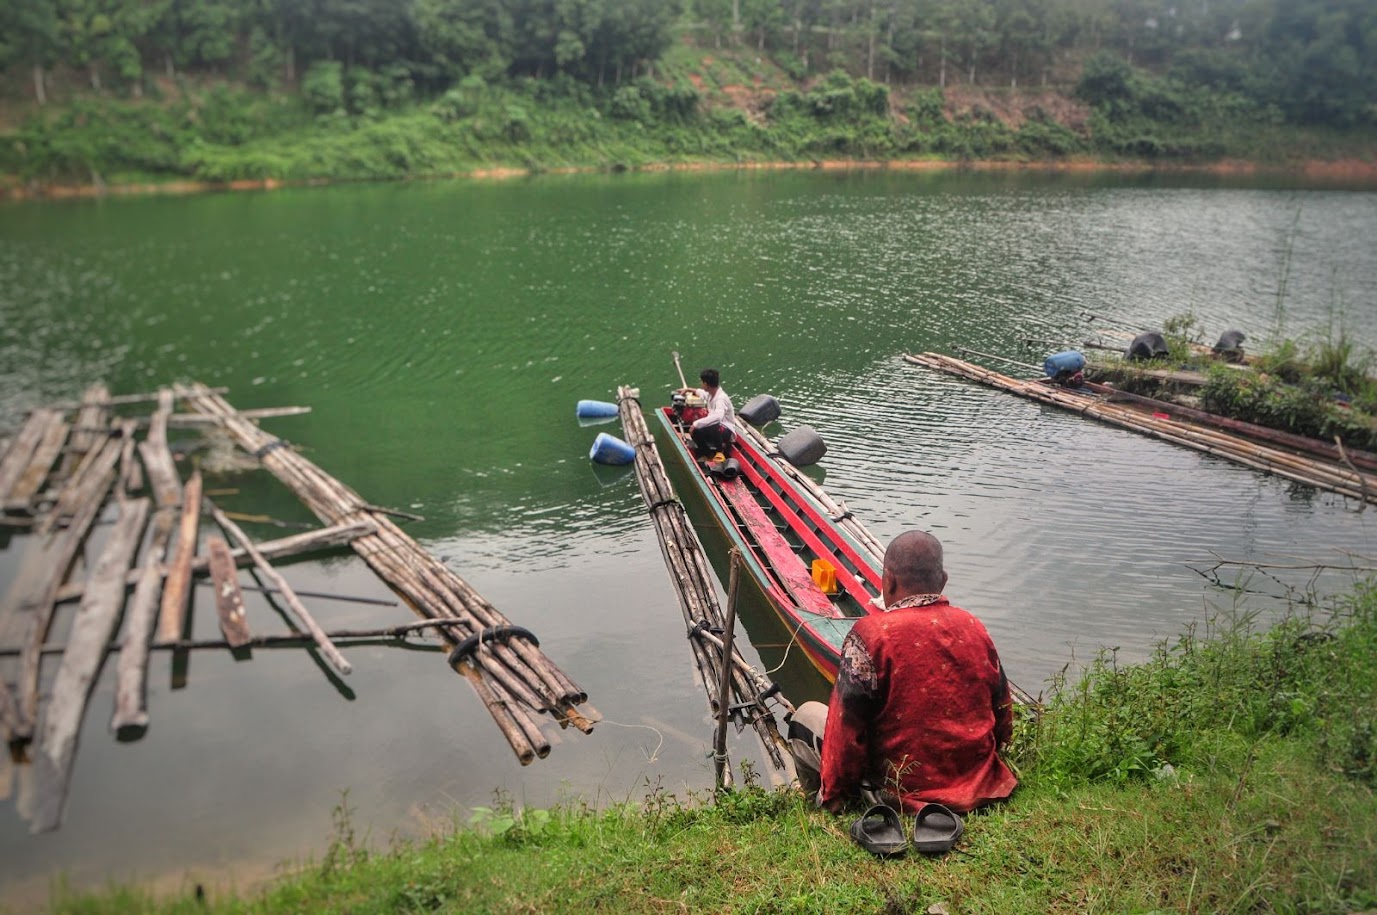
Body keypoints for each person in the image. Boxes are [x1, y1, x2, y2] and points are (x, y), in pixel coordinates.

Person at [788, 530, 1017, 815]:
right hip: (978, 782)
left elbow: (844, 734)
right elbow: (1003, 713)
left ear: (888, 581)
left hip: (901, 794)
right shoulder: (973, 627)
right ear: (943, 582)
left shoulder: (871, 635)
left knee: (805, 716)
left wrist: (836, 793)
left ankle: (821, 808)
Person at [680, 368, 737, 456]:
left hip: (725, 430)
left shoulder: (721, 398)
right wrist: (688, 389)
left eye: (702, 382)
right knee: (696, 431)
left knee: (714, 425)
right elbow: (700, 392)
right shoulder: (711, 394)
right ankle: (706, 453)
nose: (701, 384)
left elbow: (718, 417)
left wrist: (696, 423)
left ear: (706, 384)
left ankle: (720, 451)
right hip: (716, 430)